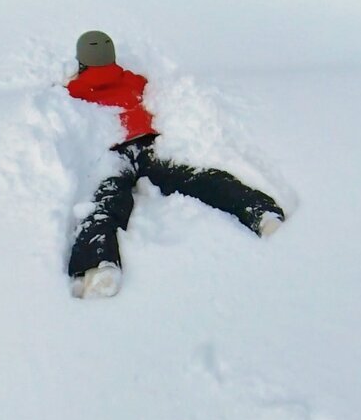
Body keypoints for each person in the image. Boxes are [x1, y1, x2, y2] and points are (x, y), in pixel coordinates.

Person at [66, 31, 286, 299]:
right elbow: (146, 87)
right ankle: (258, 211)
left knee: (107, 202)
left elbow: (66, 105)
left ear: (82, 62)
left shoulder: (74, 91)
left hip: (115, 155)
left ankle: (97, 264)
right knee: (195, 178)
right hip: (150, 146)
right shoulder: (131, 79)